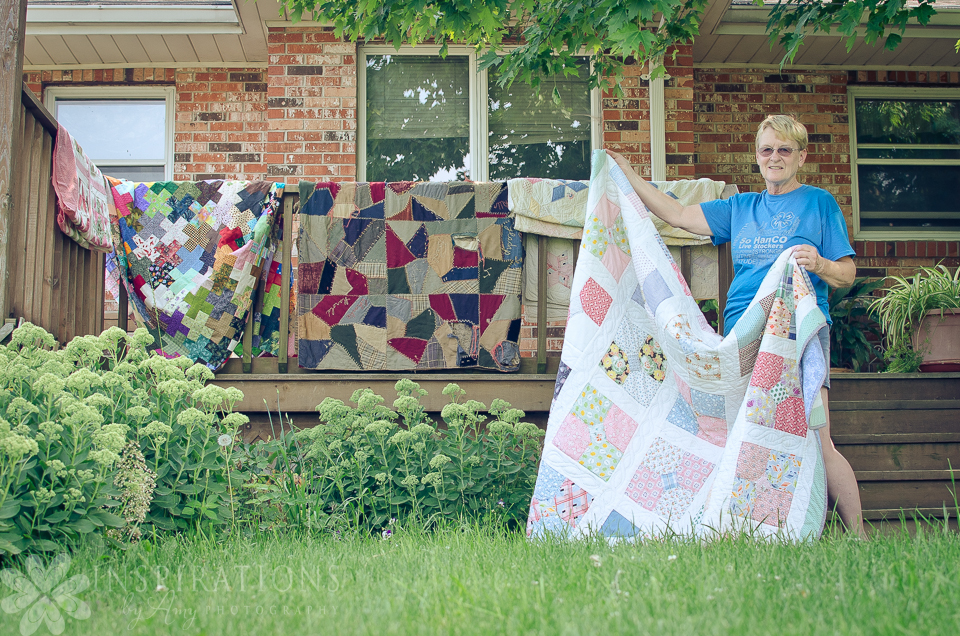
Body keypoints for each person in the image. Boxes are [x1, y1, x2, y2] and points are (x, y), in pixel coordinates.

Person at [606, 113, 866, 538]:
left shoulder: (819, 203)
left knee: (818, 437)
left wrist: (819, 263)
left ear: (802, 156)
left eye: (784, 149)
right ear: (757, 158)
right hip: (743, 335)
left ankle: (859, 535)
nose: (775, 157)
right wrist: (629, 173)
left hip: (796, 336)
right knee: (740, 435)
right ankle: (750, 530)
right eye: (767, 150)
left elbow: (847, 274)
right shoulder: (741, 208)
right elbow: (676, 214)